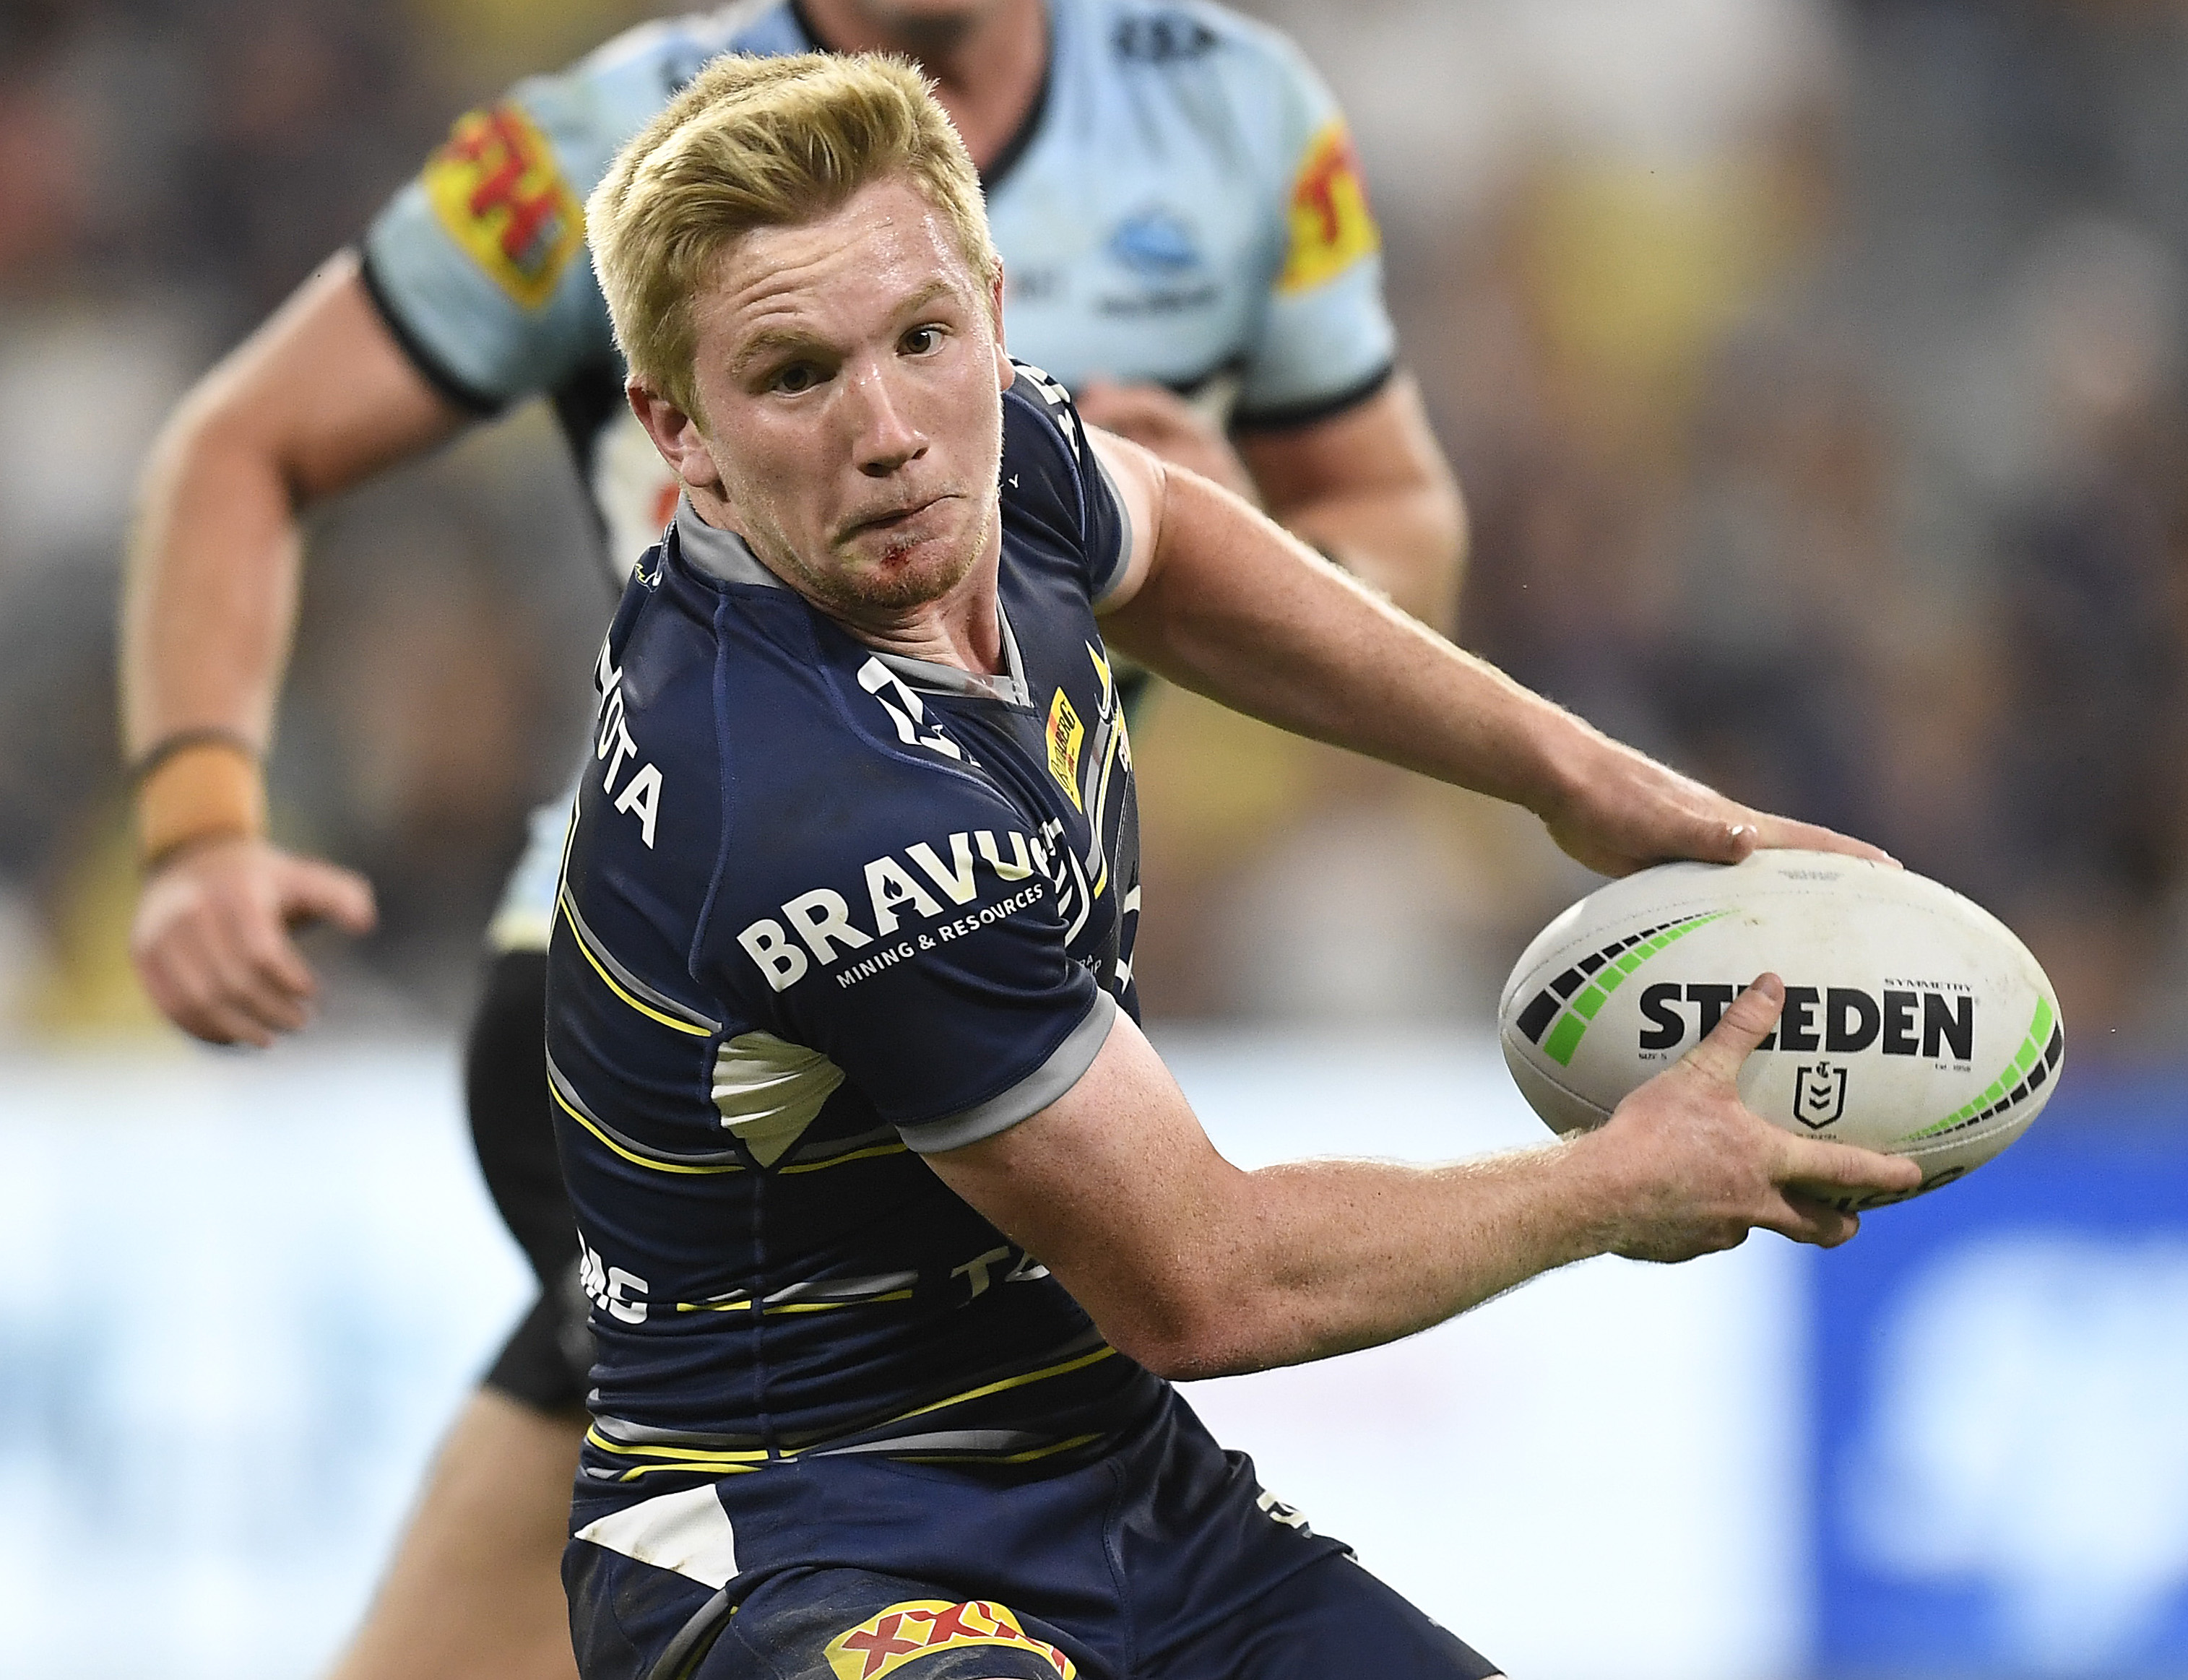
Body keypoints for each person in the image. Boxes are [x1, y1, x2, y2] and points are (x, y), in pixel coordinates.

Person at [119, 4, 1461, 1676]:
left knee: (716, 1490)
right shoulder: (608, 138)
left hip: (1005, 936)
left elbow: (1394, 528)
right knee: (775, 1484)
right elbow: (247, 437)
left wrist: (1231, 547)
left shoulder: (1234, 109)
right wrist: (199, 818)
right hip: (684, 973)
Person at [554, 51, 1920, 1680]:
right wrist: (1615, 1181)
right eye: (793, 377)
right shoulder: (809, 802)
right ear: (680, 432)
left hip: (1118, 1485)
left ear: (991, 310)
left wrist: (1582, 782)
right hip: (797, 1535)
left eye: (924, 337)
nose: (889, 430)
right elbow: (1208, 1282)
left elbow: (1176, 542)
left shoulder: (987, 468)